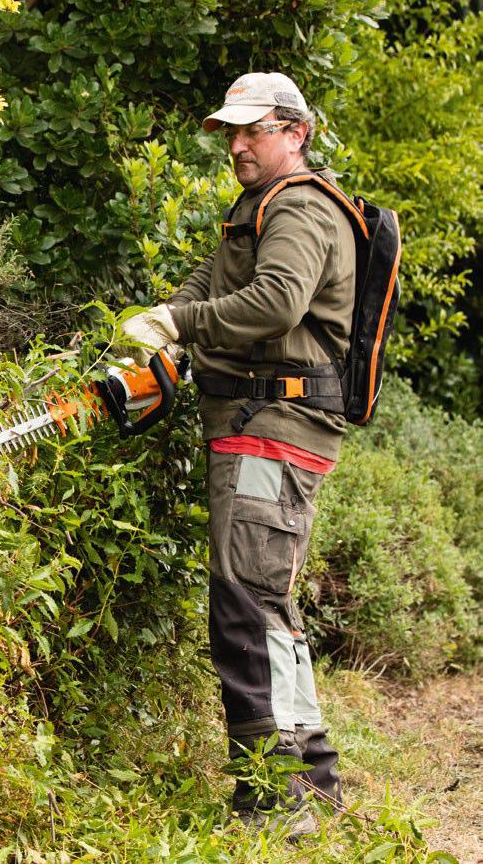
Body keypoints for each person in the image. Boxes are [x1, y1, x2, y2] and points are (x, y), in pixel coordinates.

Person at [121, 72, 355, 837]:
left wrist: (180, 322)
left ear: (295, 131)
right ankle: (308, 781)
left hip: (274, 426)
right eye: (231, 130)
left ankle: (274, 798)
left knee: (245, 608)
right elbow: (211, 288)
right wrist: (163, 326)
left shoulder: (299, 206)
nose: (238, 143)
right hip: (257, 423)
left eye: (253, 129)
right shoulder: (256, 209)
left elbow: (277, 302)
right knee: (266, 607)